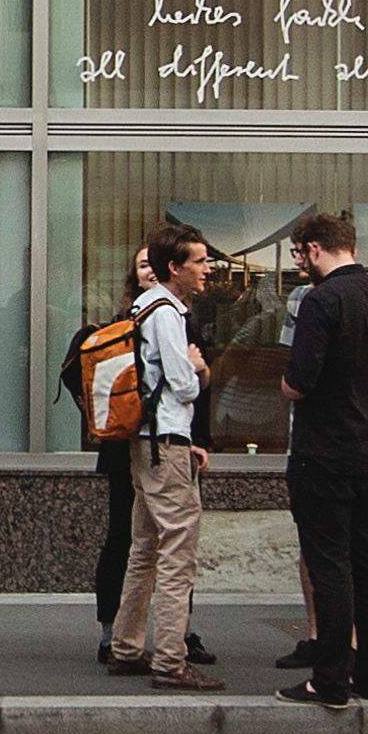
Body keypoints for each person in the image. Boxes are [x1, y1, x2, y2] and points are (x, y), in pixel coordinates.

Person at [275, 211, 368, 708]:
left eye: (298, 252)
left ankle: (329, 679)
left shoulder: (321, 300)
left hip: (323, 448)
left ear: (313, 248)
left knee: (329, 564)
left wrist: (286, 385)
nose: (298, 262)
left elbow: (299, 382)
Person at [107, 219, 223, 693]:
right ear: (175, 267)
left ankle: (126, 646)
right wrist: (198, 368)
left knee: (145, 548)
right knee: (177, 552)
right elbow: (182, 384)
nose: (207, 269)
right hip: (167, 443)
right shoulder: (168, 313)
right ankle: (171, 660)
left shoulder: (142, 306)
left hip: (143, 440)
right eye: (200, 261)